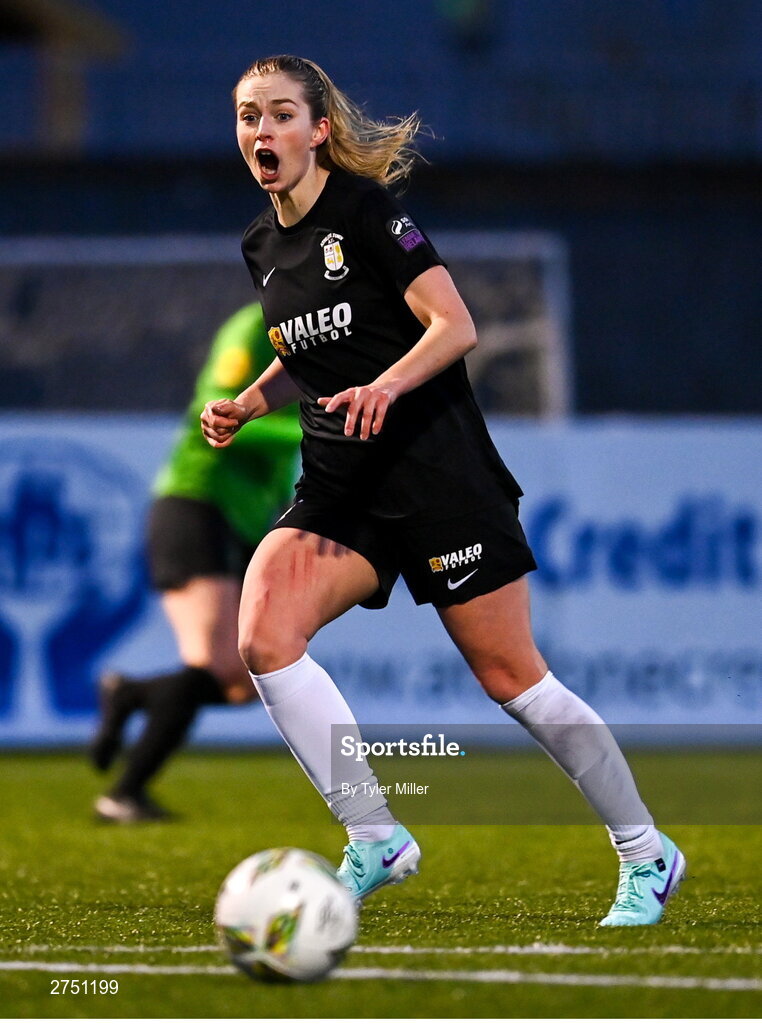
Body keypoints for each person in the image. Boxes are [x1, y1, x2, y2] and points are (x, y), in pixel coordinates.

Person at [200, 54, 685, 926]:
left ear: (318, 131)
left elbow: (454, 325)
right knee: (265, 636)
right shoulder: (261, 246)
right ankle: (376, 837)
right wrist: (252, 398)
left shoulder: (369, 212)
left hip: (436, 477)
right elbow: (308, 344)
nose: (260, 132)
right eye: (247, 116)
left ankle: (647, 853)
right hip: (343, 489)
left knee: (513, 679)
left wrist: (388, 385)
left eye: (279, 116)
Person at [90, 302, 301, 822]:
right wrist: (316, 427)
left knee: (246, 677)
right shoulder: (255, 326)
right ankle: (125, 794)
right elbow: (214, 405)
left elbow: (281, 458)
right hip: (197, 500)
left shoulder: (326, 336)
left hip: (244, 523)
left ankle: (130, 694)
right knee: (217, 664)